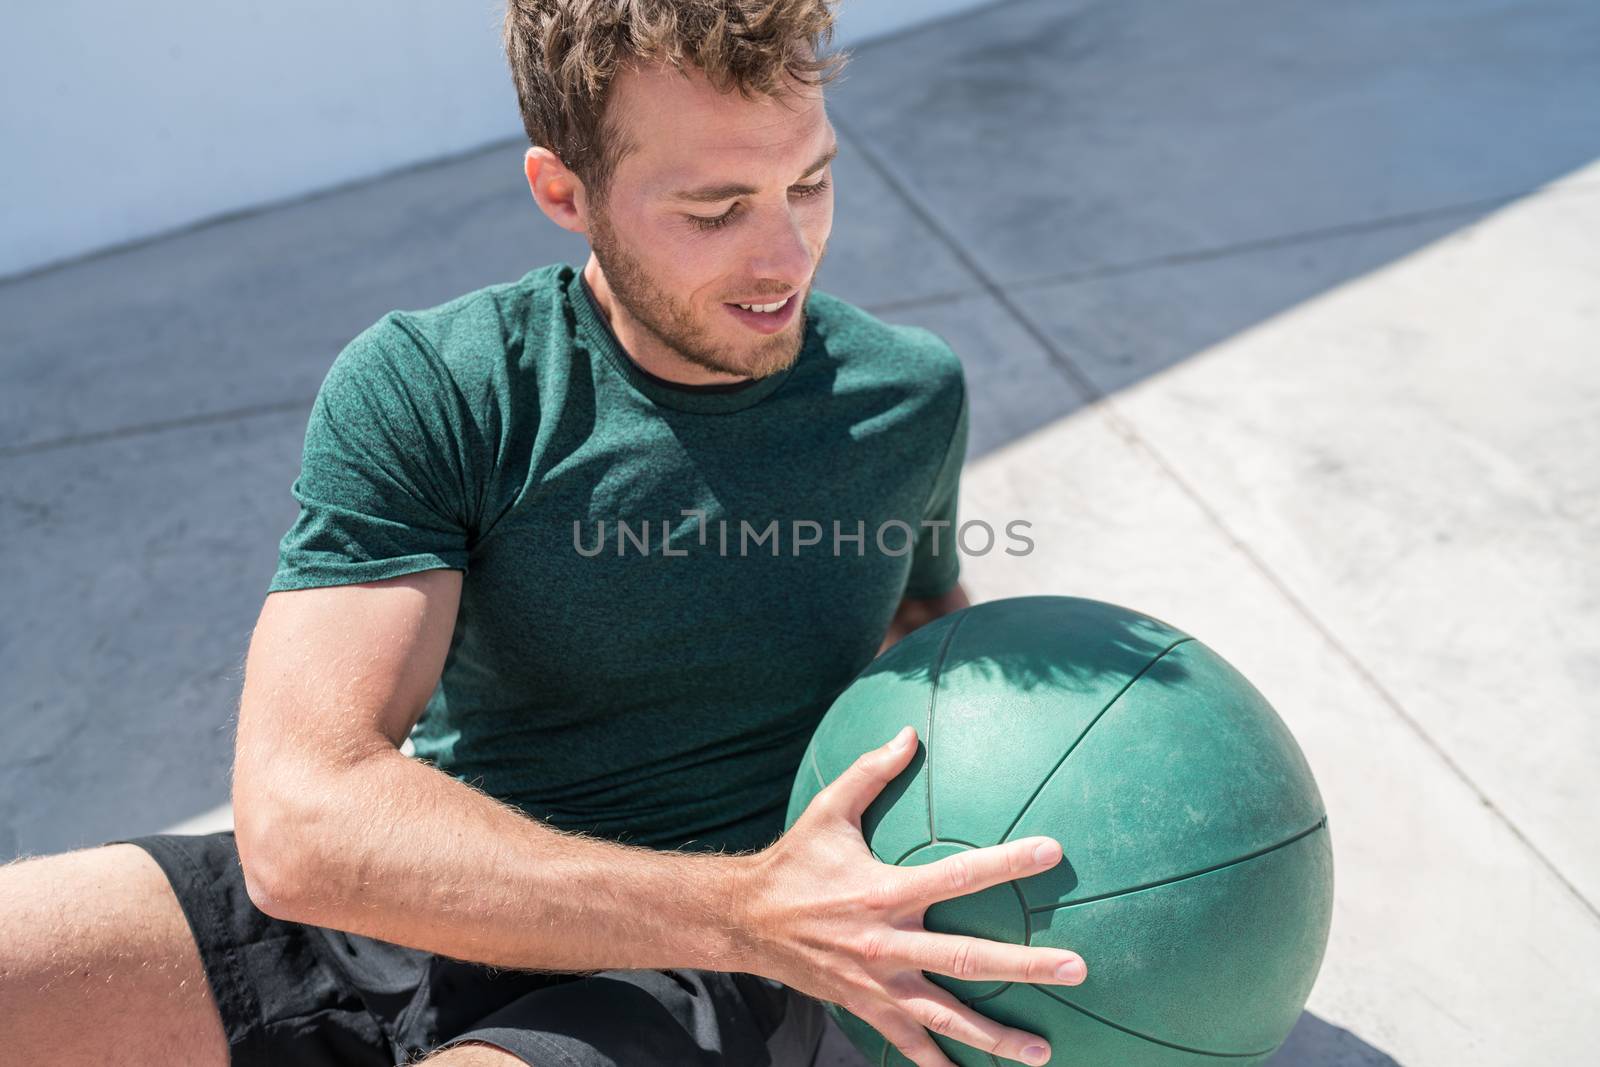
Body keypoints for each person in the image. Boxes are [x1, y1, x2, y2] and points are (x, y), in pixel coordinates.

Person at [1, 3, 1086, 1065]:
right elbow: (300, 820)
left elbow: (934, 641)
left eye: (810, 180)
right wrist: (746, 908)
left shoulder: (906, 396)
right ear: (564, 192)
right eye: (715, 211)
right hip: (441, 891)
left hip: (696, 974)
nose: (785, 255)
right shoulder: (441, 385)